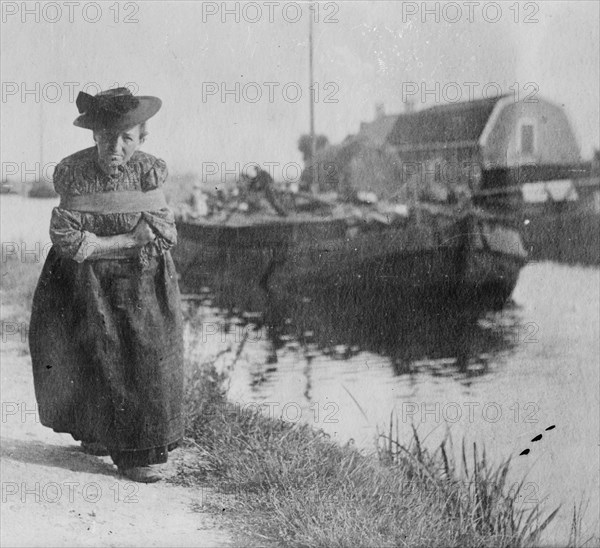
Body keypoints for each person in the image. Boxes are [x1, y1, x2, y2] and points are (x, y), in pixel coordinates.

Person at [29, 87, 184, 483]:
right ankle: (97, 433)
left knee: (144, 356)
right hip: (81, 280)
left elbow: (160, 231)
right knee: (91, 351)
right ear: (93, 135)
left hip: (141, 280)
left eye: (127, 138)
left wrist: (105, 242)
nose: (115, 147)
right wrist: (123, 239)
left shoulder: (149, 170)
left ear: (141, 138)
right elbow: (67, 237)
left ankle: (138, 452)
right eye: (106, 137)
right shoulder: (74, 171)